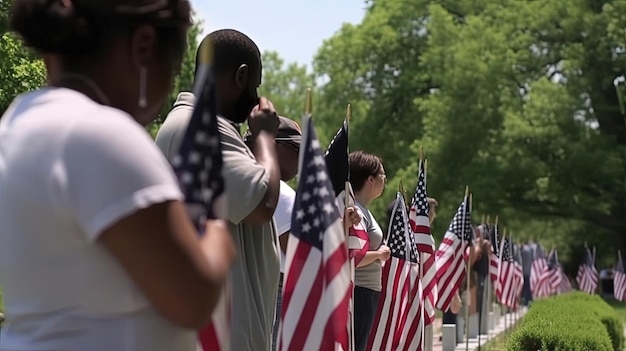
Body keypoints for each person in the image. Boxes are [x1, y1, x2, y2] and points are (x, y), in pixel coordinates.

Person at [0, 1, 236, 351]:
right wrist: (217, 231)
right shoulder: (101, 136)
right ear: (144, 45)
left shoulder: (16, 124)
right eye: (172, 68)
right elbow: (193, 299)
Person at [155, 29, 282, 351]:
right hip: (223, 331)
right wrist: (266, 137)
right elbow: (262, 203)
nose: (256, 95)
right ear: (241, 76)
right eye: (255, 84)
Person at [243, 116, 301, 350]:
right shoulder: (281, 192)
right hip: (278, 288)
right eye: (296, 149)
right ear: (274, 144)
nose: (300, 159)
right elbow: (297, 251)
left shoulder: (245, 178)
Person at [347, 151, 390, 351]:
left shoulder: (364, 210)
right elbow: (353, 256)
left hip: (368, 291)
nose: (385, 180)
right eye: (383, 176)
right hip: (359, 290)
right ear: (370, 180)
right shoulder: (355, 211)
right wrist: (380, 254)